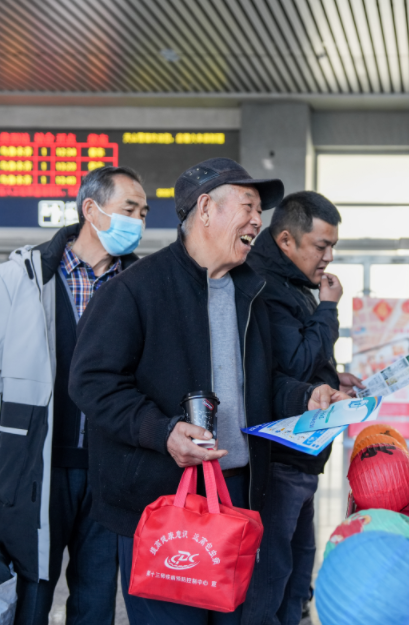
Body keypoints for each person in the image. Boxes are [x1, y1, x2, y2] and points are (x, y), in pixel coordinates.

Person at [68, 158, 345, 625]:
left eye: (258, 210)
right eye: (247, 206)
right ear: (205, 209)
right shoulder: (136, 289)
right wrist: (163, 431)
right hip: (160, 503)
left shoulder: (250, 292)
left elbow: (261, 381)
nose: (257, 221)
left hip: (236, 493)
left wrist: (306, 396)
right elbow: (92, 382)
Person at [0, 166, 147, 625]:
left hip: (108, 469)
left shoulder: (140, 285)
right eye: (129, 209)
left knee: (96, 599)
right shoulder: (20, 278)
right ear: (91, 209)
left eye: (144, 213)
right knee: (31, 593)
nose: (138, 222)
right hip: (35, 466)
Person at [243, 191, 362, 625]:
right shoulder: (265, 284)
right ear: (286, 240)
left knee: (296, 565)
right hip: (280, 455)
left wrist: (331, 378)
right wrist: (329, 308)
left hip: (302, 453)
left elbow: (297, 361)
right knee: (273, 571)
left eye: (333, 247)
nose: (329, 257)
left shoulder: (293, 281)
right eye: (321, 246)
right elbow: (294, 362)